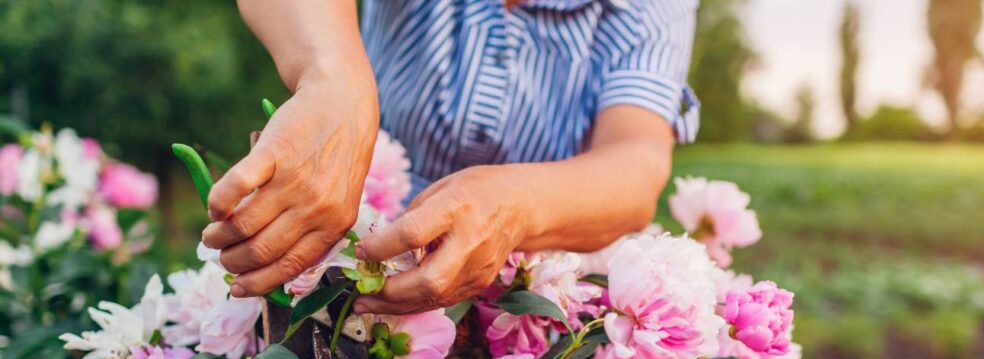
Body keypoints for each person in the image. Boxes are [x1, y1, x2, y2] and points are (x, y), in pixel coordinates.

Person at [202, 0, 700, 314]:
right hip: (349, 263)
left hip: (531, 297)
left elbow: (636, 162)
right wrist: (332, 79)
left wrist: (512, 206)